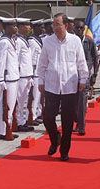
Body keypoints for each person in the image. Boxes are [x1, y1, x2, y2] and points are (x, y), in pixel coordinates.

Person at [38, 13, 89, 161]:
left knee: (67, 121)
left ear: (66, 26)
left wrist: (83, 79)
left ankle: (64, 150)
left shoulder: (75, 41)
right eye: (53, 25)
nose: (54, 27)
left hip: (70, 86)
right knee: (48, 118)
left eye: (57, 24)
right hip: (52, 85)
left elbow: (81, 62)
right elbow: (42, 63)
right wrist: (40, 81)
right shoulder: (48, 41)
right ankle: (55, 140)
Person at [0, 16, 19, 140]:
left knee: (10, 106)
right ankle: (3, 131)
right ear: (6, 28)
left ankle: (6, 127)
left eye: (16, 25)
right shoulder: (4, 41)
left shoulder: (11, 40)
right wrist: (0, 79)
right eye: (13, 25)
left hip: (13, 77)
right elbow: (0, 61)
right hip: (7, 78)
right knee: (5, 106)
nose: (15, 27)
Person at [73, 20, 98, 136]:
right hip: (72, 76)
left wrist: (95, 75)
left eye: (81, 28)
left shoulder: (90, 42)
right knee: (74, 103)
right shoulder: (71, 42)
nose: (79, 30)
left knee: (82, 102)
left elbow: (95, 59)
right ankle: (77, 122)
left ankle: (81, 126)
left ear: (84, 29)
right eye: (77, 28)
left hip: (85, 76)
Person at [15, 18, 34, 132]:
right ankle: (18, 122)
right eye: (27, 25)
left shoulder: (23, 39)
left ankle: (21, 121)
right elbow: (16, 59)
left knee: (23, 100)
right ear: (21, 27)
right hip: (21, 75)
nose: (29, 28)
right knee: (19, 100)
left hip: (27, 74)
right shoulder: (17, 40)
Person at [27, 19, 45, 126]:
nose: (43, 29)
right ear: (36, 28)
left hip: (38, 72)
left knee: (37, 96)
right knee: (33, 97)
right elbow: (30, 58)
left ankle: (35, 114)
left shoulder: (38, 40)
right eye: (41, 27)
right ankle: (31, 117)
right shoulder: (32, 41)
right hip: (34, 73)